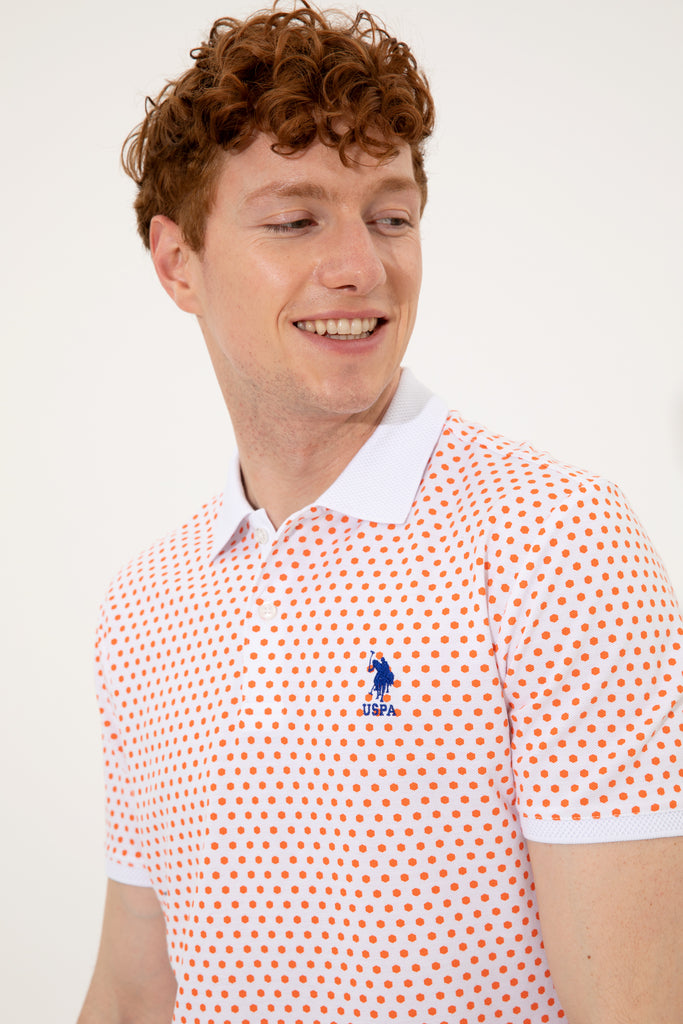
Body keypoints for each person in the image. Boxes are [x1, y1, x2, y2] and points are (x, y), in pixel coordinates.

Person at [78, 4, 683, 1022]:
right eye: (295, 220)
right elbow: (137, 989)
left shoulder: (555, 544)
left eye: (390, 217)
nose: (362, 266)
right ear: (177, 262)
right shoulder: (145, 609)